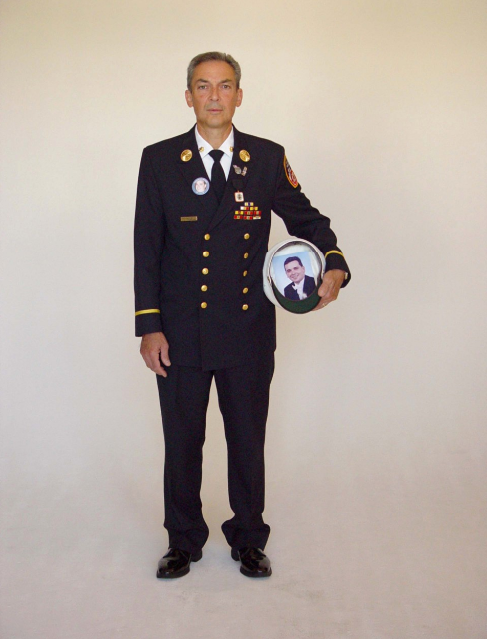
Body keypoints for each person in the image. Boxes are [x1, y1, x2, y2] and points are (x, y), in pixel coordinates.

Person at [134, 51, 350, 579]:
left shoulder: (267, 158)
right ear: (188, 96)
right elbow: (147, 247)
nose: (214, 96)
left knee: (247, 438)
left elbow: (307, 219)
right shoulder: (160, 160)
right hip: (180, 333)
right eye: (203, 86)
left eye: (225, 86)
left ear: (239, 95)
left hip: (247, 329)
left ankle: (248, 538)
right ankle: (183, 540)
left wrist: (337, 264)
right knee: (183, 439)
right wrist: (149, 325)